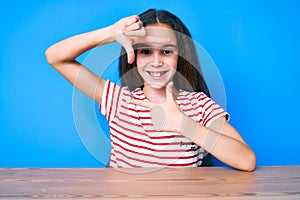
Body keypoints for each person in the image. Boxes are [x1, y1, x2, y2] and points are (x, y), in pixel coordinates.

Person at [45, 9, 256, 171]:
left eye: (166, 51)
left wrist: (183, 124)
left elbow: (246, 160)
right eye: (145, 51)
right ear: (134, 56)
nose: (156, 62)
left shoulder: (198, 105)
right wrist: (110, 33)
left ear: (179, 56)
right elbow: (55, 57)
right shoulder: (117, 99)